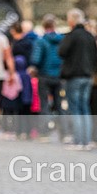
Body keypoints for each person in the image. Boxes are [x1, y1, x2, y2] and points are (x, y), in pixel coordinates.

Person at [58, 8, 97, 150]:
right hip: (88, 76)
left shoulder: (72, 36)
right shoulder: (90, 36)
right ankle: (87, 141)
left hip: (74, 75)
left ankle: (78, 141)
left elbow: (61, 51)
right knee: (85, 108)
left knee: (75, 109)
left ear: (71, 21)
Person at [29, 14, 66, 142]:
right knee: (59, 105)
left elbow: (36, 59)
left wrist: (34, 67)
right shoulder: (62, 40)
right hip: (59, 76)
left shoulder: (41, 41)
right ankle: (64, 133)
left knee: (44, 104)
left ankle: (44, 133)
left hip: (44, 75)